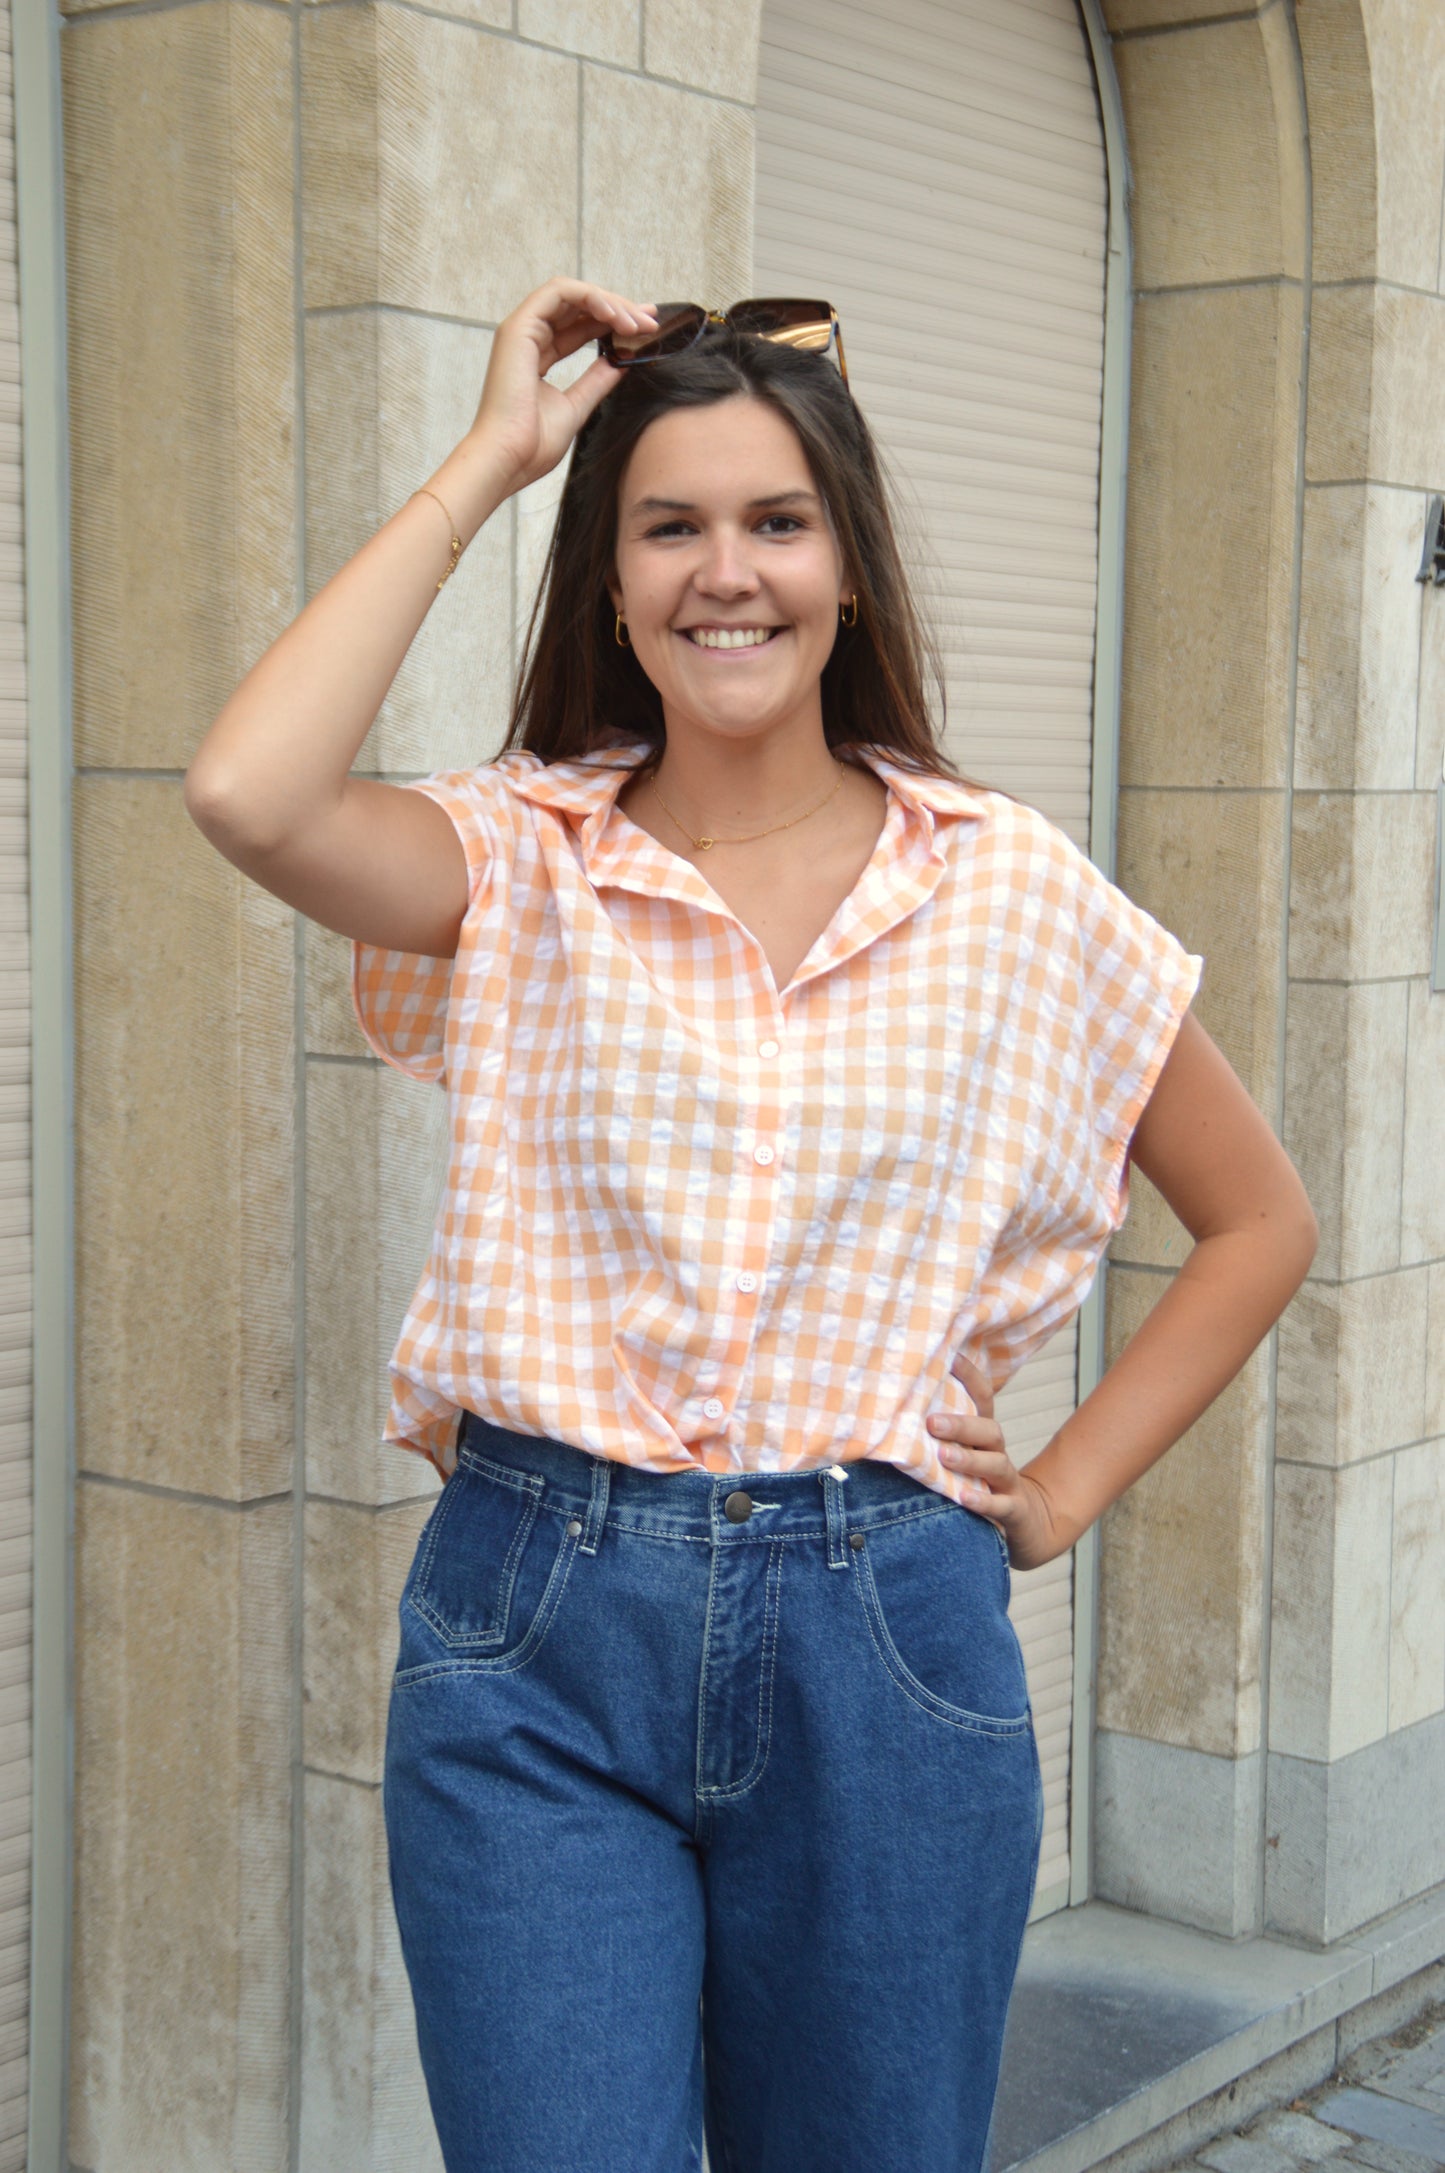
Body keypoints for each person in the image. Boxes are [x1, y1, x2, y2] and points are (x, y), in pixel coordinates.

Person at [185, 277, 1319, 2173]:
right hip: (537, 1631)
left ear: (850, 567)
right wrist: (493, 454)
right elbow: (245, 787)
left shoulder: (1007, 888)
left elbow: (1256, 1222)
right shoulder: (520, 859)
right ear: (612, 582)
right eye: (670, 525)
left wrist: (1049, 1495)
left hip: (886, 1635)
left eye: (778, 520)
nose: (729, 572)